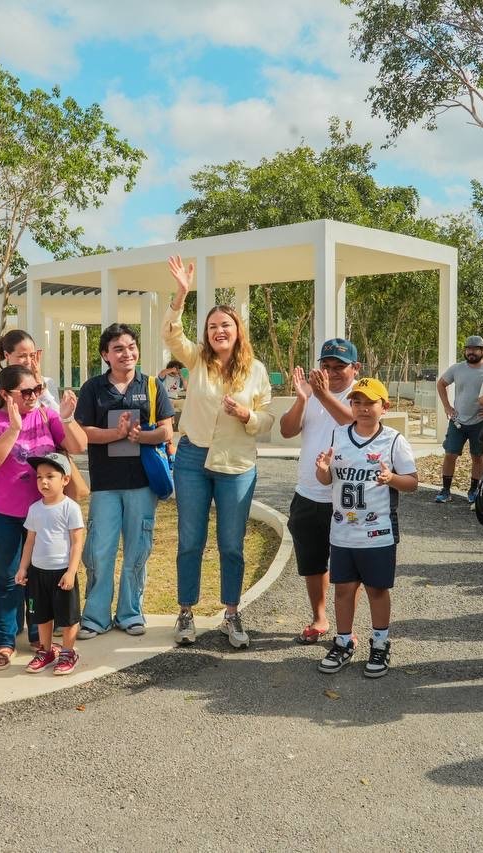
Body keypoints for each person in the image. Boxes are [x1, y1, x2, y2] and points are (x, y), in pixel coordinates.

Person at [164, 254, 274, 649]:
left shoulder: (256, 370)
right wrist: (181, 294)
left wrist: (247, 414)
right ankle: (186, 612)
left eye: (225, 325)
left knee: (231, 543)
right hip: (193, 458)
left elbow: (267, 419)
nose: (218, 331)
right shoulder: (196, 361)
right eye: (212, 326)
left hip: (237, 464)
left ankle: (231, 613)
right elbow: (171, 335)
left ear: (237, 330)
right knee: (190, 540)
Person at [0, 365, 87, 670]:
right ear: (4, 394)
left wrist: (66, 417)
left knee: (42, 575)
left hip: (45, 514)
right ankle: (5, 640)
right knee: (9, 575)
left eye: (37, 389)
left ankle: (42, 637)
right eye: (26, 392)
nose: (34, 396)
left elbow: (79, 445)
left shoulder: (47, 415)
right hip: (3, 512)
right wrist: (13, 429)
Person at [73, 323, 174, 639]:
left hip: (142, 484)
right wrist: (115, 435)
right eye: (118, 348)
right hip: (105, 484)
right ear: (105, 354)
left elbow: (167, 431)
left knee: (137, 550)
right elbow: (83, 432)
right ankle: (96, 615)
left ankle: (130, 613)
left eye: (131, 346)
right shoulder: (92, 389)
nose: (126, 353)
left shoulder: (153, 385)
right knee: (99, 550)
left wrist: (140, 436)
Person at [314, 378, 418, 678]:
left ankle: (381, 643)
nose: (362, 408)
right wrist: (321, 471)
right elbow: (327, 479)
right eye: (356, 402)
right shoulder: (339, 435)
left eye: (370, 402)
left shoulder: (394, 440)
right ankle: (344, 641)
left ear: (384, 407)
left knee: (376, 589)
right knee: (344, 588)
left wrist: (392, 479)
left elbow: (411, 482)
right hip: (342, 531)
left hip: (378, 531)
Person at [278, 338, 358, 644]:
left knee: (348, 565)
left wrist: (322, 394)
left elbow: (352, 423)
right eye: (326, 366)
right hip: (308, 494)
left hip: (346, 497)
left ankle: (345, 627)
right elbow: (287, 430)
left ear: (356, 368)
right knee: (312, 562)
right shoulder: (310, 394)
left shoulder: (360, 394)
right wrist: (301, 399)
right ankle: (319, 617)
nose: (332, 372)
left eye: (340, 367)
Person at [16, 453, 86, 675]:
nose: (43, 482)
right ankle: (46, 650)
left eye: (50, 476)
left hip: (62, 573)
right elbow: (29, 542)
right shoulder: (35, 509)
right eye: (39, 477)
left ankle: (68, 651)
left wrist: (71, 571)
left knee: (67, 616)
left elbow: (77, 543)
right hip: (38, 574)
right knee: (41, 615)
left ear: (65, 480)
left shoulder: (70, 508)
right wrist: (23, 567)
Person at [436, 335, 483, 504]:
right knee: (450, 454)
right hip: (458, 421)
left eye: (475, 349)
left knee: (478, 457)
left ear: (482, 351)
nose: (471, 352)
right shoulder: (457, 369)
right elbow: (441, 384)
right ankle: (445, 490)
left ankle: (474, 490)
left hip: (480, 422)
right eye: (468, 349)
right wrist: (447, 407)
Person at [0, 328, 59, 411]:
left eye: (32, 355)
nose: (28, 361)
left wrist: (40, 387)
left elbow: (59, 417)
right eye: (22, 356)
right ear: (7, 355)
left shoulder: (47, 382)